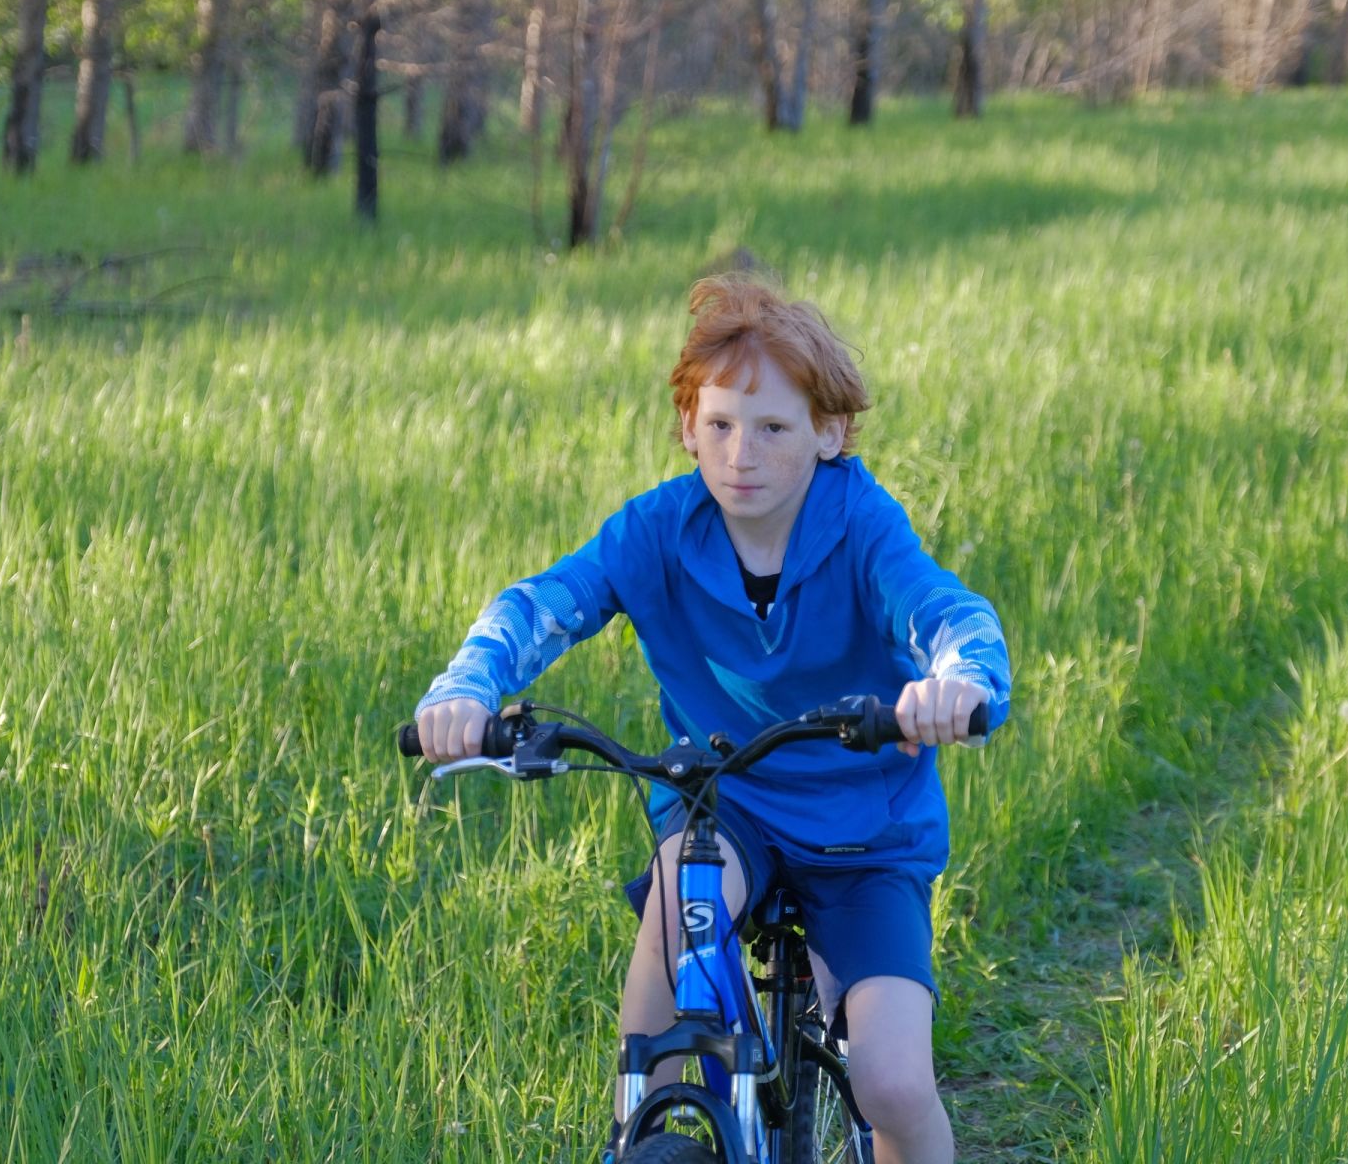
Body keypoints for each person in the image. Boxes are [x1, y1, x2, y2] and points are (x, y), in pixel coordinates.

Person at [413, 272, 1013, 1164]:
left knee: (891, 1081)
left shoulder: (863, 527)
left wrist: (956, 683)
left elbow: (948, 615)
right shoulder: (658, 529)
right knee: (678, 914)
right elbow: (544, 605)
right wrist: (465, 690)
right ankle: (644, 1130)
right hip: (724, 803)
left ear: (829, 432)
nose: (743, 454)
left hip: (863, 832)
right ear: (689, 427)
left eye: (773, 428)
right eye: (721, 425)